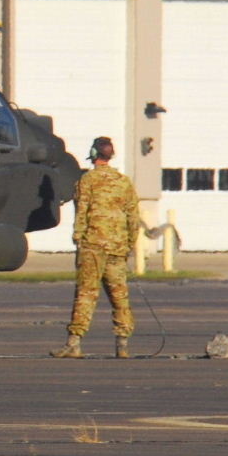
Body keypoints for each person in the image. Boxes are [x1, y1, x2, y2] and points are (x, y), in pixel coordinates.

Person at [51, 137, 143, 359]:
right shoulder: (124, 182)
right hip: (117, 247)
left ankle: (74, 342)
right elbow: (133, 217)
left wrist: (78, 238)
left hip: (93, 246)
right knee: (119, 295)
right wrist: (129, 243)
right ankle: (122, 344)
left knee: (86, 293)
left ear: (94, 153)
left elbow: (81, 212)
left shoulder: (88, 181)